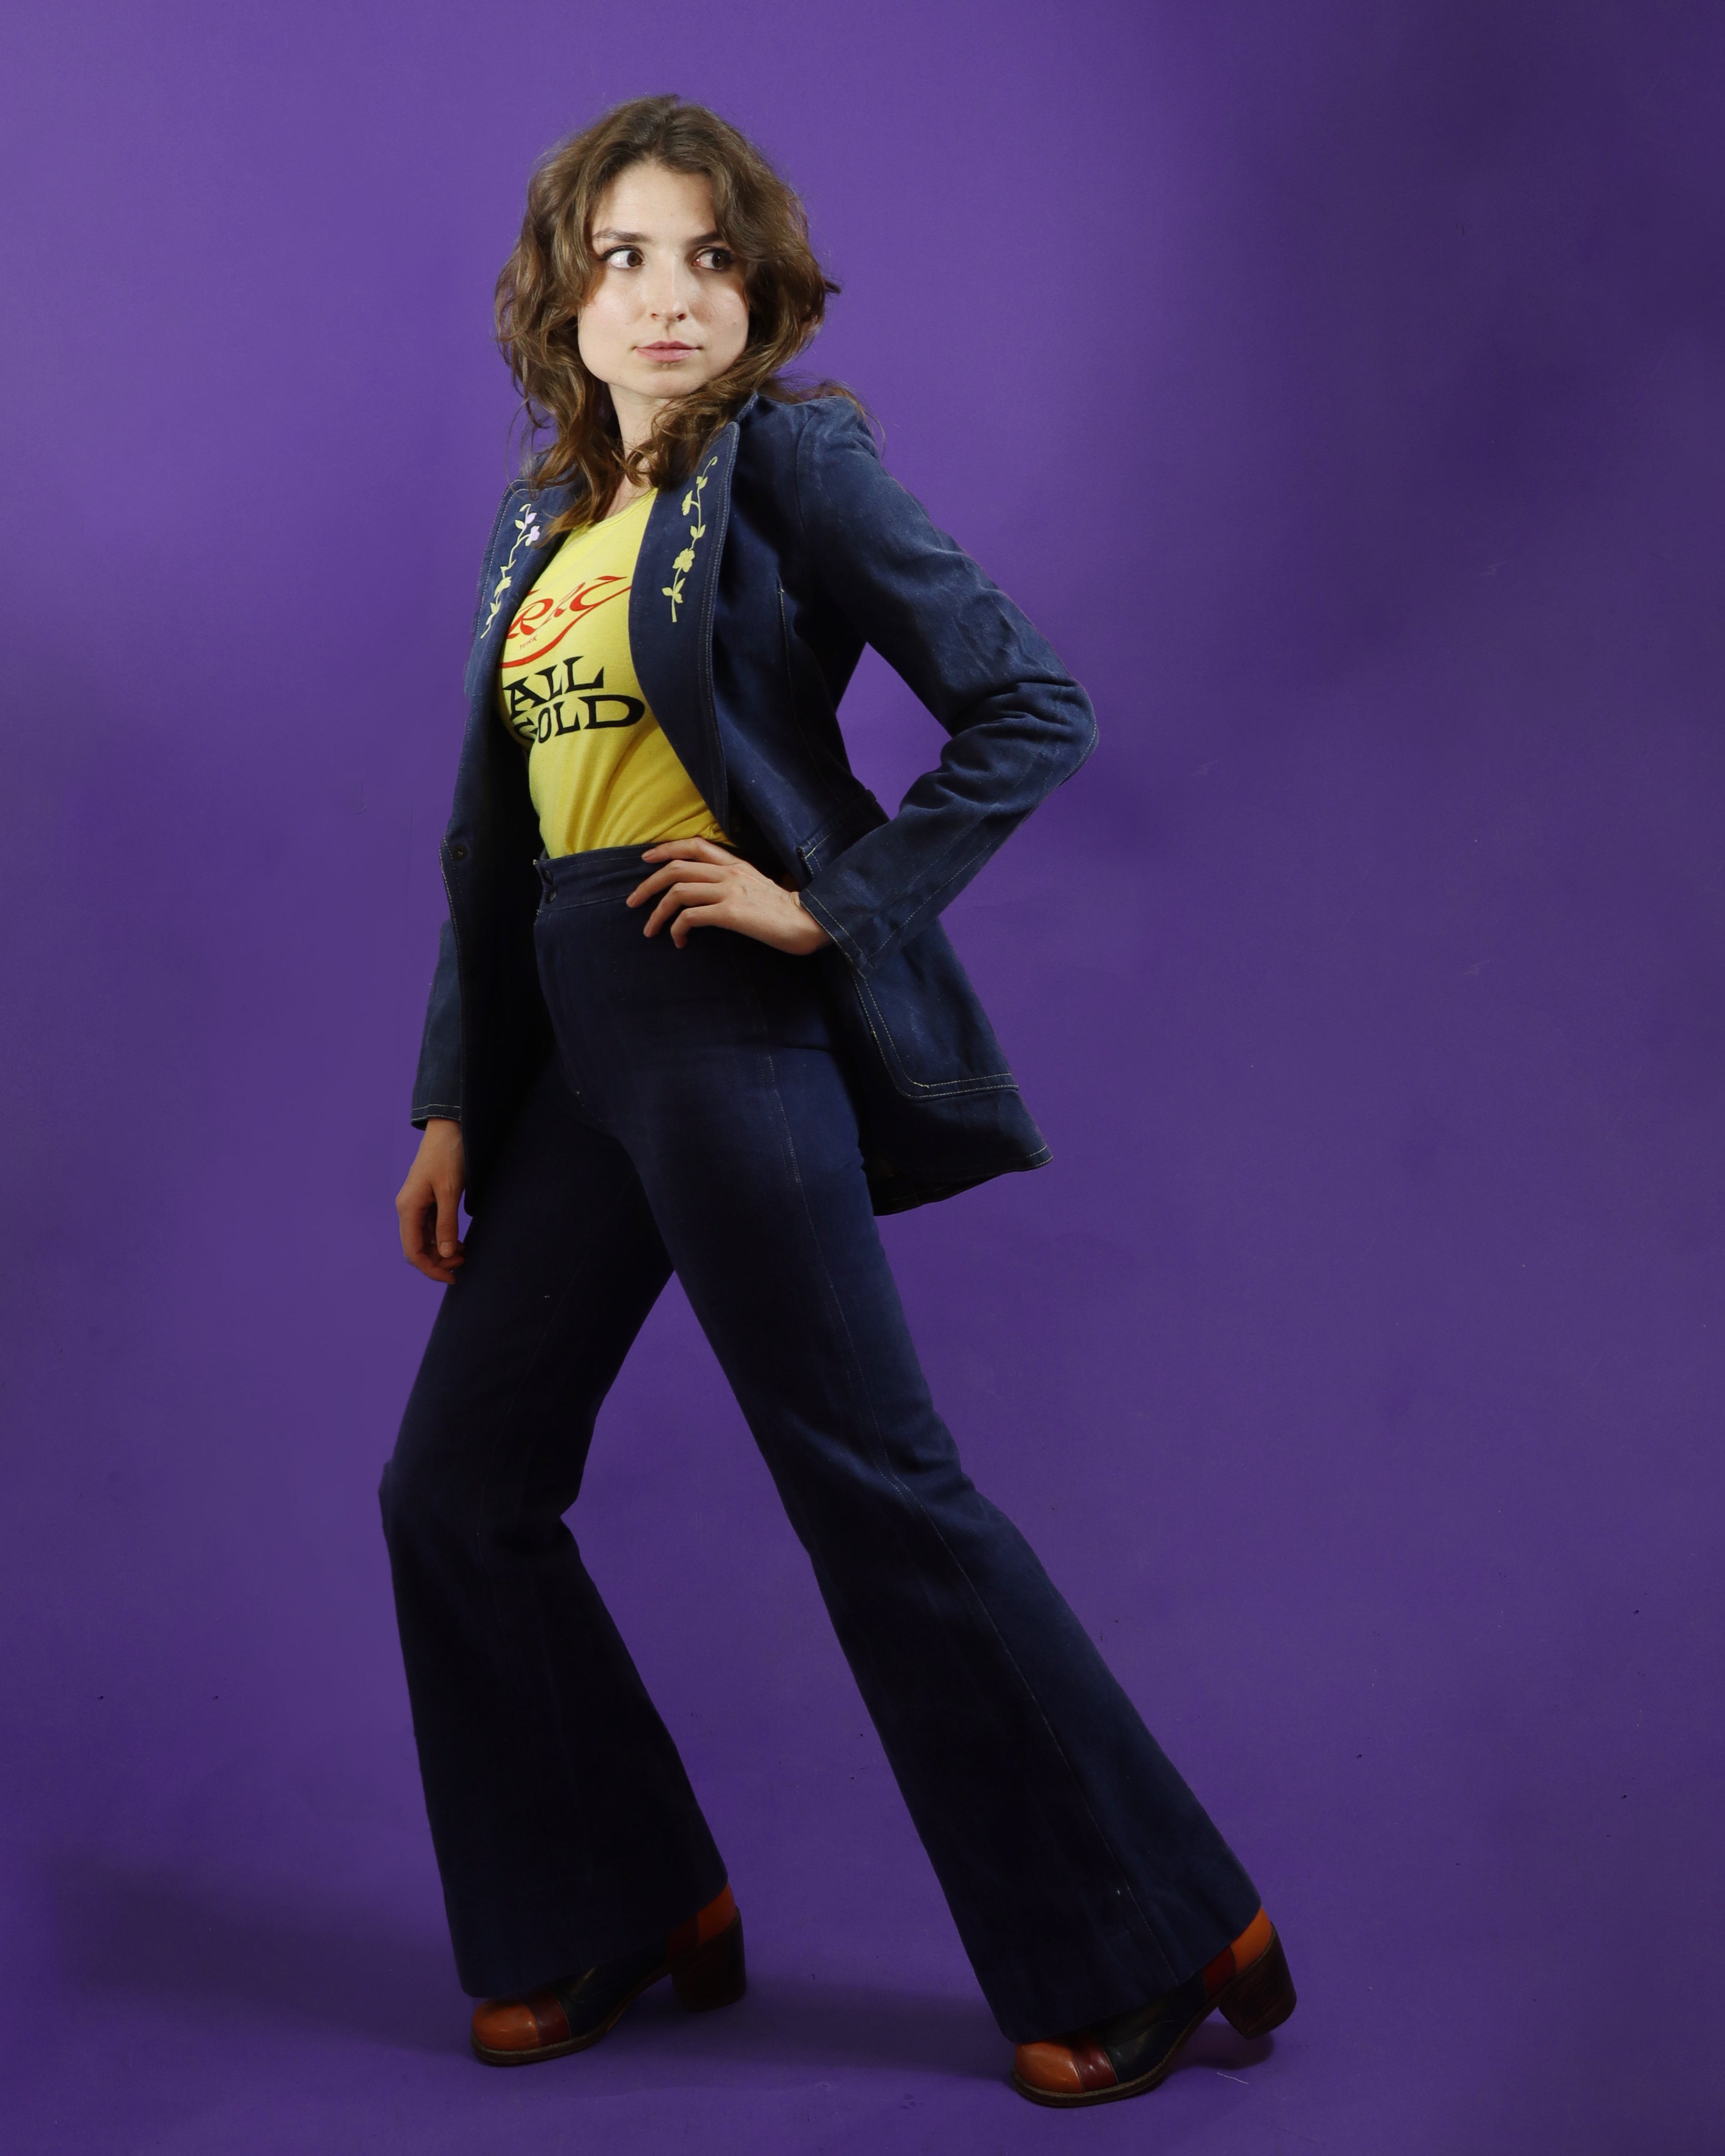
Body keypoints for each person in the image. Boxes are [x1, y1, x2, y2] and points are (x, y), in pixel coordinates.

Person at [382, 93, 1294, 2109]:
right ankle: (621, 1906)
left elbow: (1027, 702)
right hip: (567, 1040)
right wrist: (454, 1101)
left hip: (723, 1012)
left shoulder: (789, 462)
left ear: (760, 286)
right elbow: (491, 845)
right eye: (625, 257)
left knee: (868, 1483)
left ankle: (1153, 1932)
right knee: (455, 1490)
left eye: (709, 256)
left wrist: (833, 906)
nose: (669, 296)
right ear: (564, 295)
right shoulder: (539, 526)